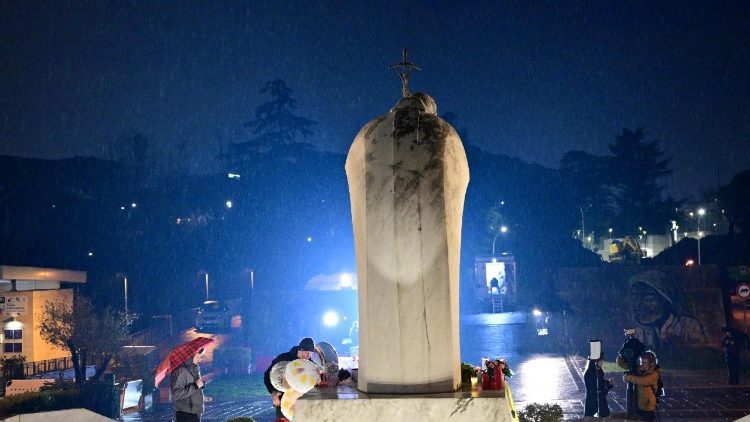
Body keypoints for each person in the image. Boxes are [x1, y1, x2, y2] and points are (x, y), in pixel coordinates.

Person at [628, 270, 706, 350]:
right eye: (635, 297)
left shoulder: (687, 325)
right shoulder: (631, 329)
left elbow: (701, 352)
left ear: (664, 299)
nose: (639, 303)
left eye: (648, 299)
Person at [263, 337, 316, 421]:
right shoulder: (283, 358)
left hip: (302, 404)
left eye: (309, 353)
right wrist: (273, 392)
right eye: (304, 352)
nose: (306, 355)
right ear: (299, 349)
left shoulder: (311, 366)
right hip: (283, 402)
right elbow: (268, 375)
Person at [622, 350, 661, 422]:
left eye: (645, 362)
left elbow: (643, 381)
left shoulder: (655, 373)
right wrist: (621, 355)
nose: (642, 364)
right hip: (640, 404)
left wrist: (628, 377)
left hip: (648, 405)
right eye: (641, 362)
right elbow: (625, 365)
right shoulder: (642, 369)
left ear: (651, 363)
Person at [171, 348, 206, 422]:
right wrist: (195, 386)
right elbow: (176, 394)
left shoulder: (194, 368)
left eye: (201, 357)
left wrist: (200, 385)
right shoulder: (181, 371)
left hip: (194, 412)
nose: (200, 360)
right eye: (199, 357)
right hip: (186, 414)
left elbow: (194, 385)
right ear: (192, 355)